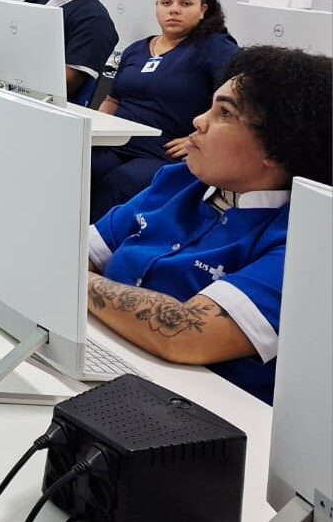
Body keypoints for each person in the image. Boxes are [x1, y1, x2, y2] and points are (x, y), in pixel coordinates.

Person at [87, 46, 331, 403]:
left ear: (277, 148)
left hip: (202, 416)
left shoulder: (306, 241)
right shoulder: (178, 181)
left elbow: (185, 333)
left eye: (224, 113)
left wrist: (77, 284)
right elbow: (80, 251)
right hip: (112, 363)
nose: (198, 121)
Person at [90, 0, 239, 221]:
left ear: (203, 9)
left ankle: (89, 251)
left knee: (121, 183)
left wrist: (198, 138)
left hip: (164, 151)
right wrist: (92, 129)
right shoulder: (136, 49)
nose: (174, 10)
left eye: (185, 3)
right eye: (166, 2)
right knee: (79, 166)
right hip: (117, 142)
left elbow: (234, 105)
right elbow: (113, 99)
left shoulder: (216, 48)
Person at [24, 0, 119, 99]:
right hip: (10, 89)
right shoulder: (36, 1)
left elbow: (67, 83)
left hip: (41, 102)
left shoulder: (95, 20)